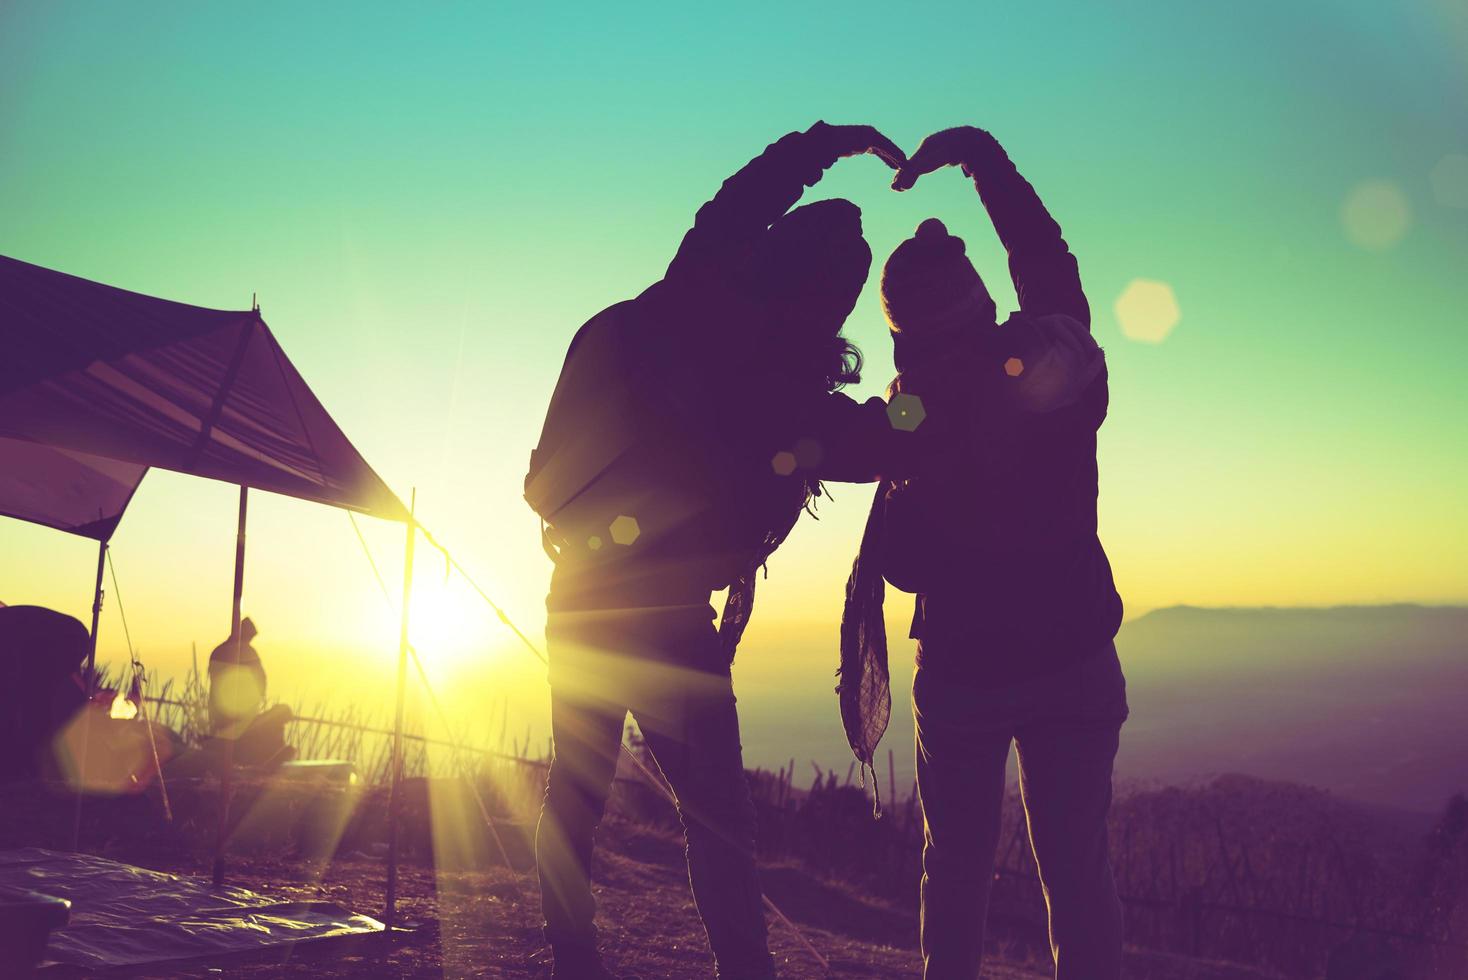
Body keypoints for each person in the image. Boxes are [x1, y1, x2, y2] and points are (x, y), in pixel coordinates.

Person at [526, 122, 918, 980]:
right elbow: (873, 443)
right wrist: (931, 401)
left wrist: (833, 141)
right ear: (829, 302)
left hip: (578, 592)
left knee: (576, 793)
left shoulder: (691, 287)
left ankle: (572, 958)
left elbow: (745, 194)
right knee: (716, 821)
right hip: (666, 624)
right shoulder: (777, 385)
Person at [842, 126, 1126, 980]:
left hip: (964, 675)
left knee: (955, 875)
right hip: (1075, 659)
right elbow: (1047, 261)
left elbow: (902, 564)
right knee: (1079, 877)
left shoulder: (906, 419)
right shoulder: (1054, 361)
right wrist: (980, 158)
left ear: (900, 331)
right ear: (975, 297)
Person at [208, 616, 266, 740]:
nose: (250, 641)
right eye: (250, 637)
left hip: (218, 711)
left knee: (220, 747)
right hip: (240, 715)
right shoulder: (248, 653)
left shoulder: (217, 651)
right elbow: (261, 679)